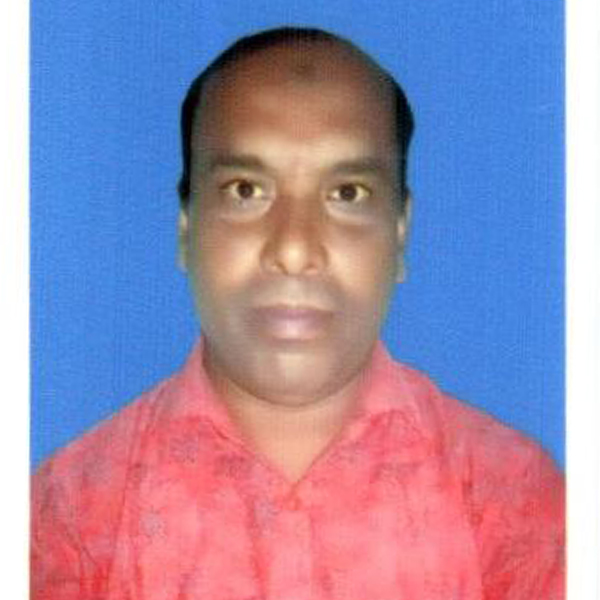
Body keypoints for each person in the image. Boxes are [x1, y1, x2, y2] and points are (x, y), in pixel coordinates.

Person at [31, 27, 564, 600]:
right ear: (186, 230)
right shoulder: (69, 515)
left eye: (348, 194)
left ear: (400, 234)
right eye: (245, 190)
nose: (292, 249)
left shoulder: (512, 498)